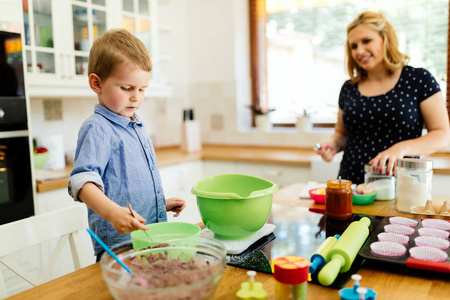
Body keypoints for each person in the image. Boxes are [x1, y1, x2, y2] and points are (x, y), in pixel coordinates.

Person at [68, 29, 186, 261]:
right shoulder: (98, 127)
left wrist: (157, 204)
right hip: (119, 250)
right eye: (127, 88)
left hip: (147, 243)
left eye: (142, 89)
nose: (136, 97)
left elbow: (126, 187)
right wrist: (112, 213)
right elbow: (82, 182)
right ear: (96, 83)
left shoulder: (135, 126)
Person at [317, 11, 450, 184]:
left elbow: (442, 135)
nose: (359, 50)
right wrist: (333, 145)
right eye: (354, 46)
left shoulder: (418, 79)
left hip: (402, 187)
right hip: (352, 187)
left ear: (385, 39)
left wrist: (401, 148)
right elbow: (341, 133)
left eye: (366, 41)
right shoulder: (349, 88)